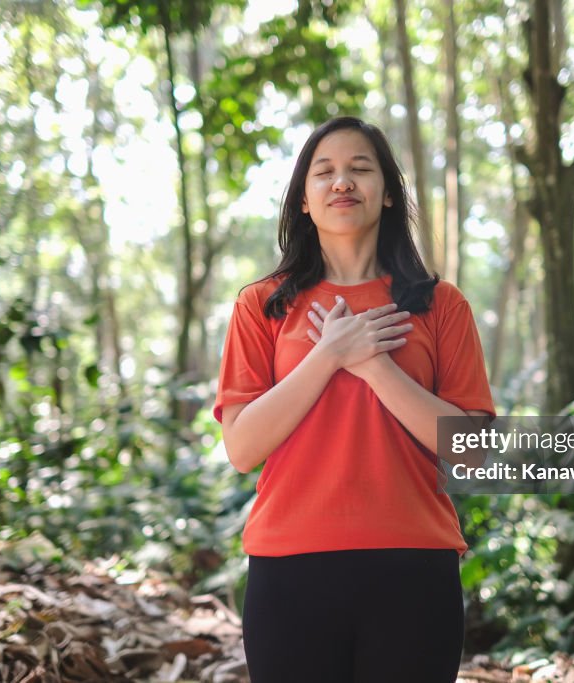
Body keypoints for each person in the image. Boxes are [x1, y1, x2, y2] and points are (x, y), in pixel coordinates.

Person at [213, 116, 495, 683]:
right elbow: (242, 448)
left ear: (388, 194)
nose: (342, 182)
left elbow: (472, 452)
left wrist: (373, 365)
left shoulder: (441, 304)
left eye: (360, 169)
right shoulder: (262, 305)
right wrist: (328, 355)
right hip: (289, 567)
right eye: (325, 173)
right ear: (303, 201)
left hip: (414, 566)